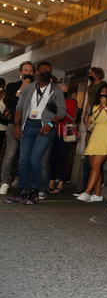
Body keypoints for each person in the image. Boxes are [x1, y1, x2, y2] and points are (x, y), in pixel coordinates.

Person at [3, 62, 66, 205]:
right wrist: (18, 125)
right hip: (28, 125)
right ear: (37, 72)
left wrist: (51, 124)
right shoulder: (29, 88)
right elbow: (19, 107)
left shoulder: (56, 90)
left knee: (35, 160)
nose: (46, 72)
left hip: (45, 127)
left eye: (49, 70)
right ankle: (21, 191)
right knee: (23, 160)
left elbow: (62, 111)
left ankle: (34, 192)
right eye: (43, 70)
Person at [76, 84, 107, 202]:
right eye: (102, 92)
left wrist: (105, 106)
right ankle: (98, 194)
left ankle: (87, 192)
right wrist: (89, 123)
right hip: (95, 136)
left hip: (106, 135)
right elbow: (93, 123)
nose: (104, 94)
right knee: (95, 166)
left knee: (96, 165)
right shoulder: (95, 107)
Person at [0, 61, 35, 195]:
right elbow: (12, 102)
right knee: (10, 154)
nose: (28, 73)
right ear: (20, 72)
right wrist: (22, 86)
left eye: (31, 71)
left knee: (26, 156)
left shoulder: (36, 88)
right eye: (25, 70)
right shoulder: (12, 86)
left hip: (30, 125)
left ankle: (22, 182)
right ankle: (3, 182)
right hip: (13, 124)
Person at [48, 84, 78, 194]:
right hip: (55, 133)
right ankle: (51, 182)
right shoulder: (53, 101)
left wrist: (61, 110)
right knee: (52, 159)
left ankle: (60, 184)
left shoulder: (71, 102)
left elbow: (72, 117)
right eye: (61, 90)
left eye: (64, 90)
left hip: (67, 132)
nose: (62, 92)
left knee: (62, 159)